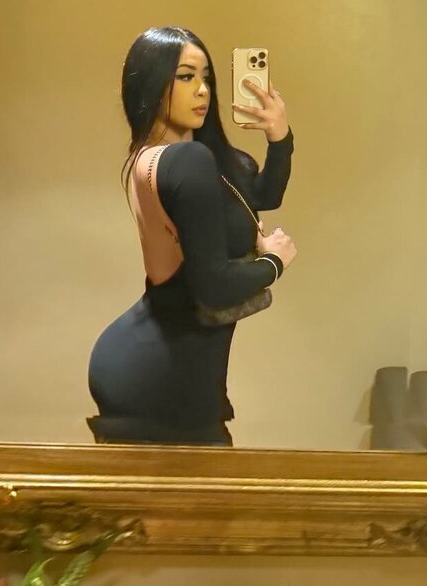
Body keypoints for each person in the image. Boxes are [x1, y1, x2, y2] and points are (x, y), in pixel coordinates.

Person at [87, 25, 297, 445]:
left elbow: (263, 195)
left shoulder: (150, 156)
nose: (202, 90)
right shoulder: (187, 161)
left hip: (149, 358)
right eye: (185, 77)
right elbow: (214, 287)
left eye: (207, 77)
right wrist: (274, 262)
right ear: (150, 84)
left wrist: (279, 138)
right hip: (164, 374)